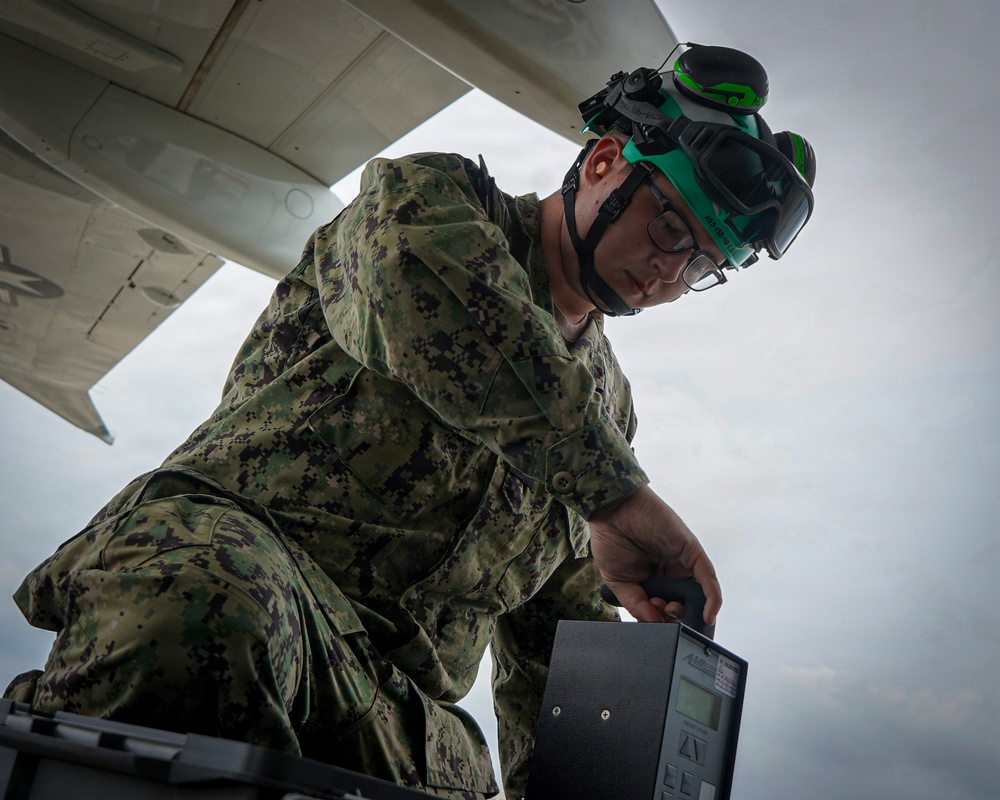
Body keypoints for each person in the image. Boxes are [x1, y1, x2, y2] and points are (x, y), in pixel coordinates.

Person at [4, 45, 815, 800]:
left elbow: (550, 653)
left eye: (702, 263)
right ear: (605, 162)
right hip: (241, 594)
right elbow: (433, 309)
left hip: (393, 726)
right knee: (199, 599)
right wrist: (617, 497)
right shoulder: (428, 205)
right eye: (672, 227)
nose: (670, 272)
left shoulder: (606, 413)